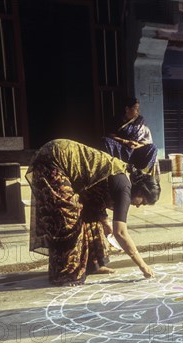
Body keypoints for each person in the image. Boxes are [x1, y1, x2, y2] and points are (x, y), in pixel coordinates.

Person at [25, 139, 161, 286]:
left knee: (91, 217)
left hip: (57, 157)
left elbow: (93, 201)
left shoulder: (123, 179)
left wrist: (106, 223)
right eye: (143, 202)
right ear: (141, 191)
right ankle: (66, 274)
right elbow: (121, 233)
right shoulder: (124, 188)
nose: (139, 206)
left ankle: (93, 265)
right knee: (68, 219)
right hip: (52, 160)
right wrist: (142, 265)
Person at [103, 97, 159, 172]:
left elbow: (147, 140)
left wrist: (138, 145)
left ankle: (140, 172)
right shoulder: (117, 120)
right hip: (122, 149)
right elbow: (111, 136)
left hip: (136, 150)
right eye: (136, 108)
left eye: (139, 108)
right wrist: (126, 142)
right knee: (105, 141)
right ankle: (118, 166)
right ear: (127, 109)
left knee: (153, 147)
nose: (138, 111)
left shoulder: (140, 120)